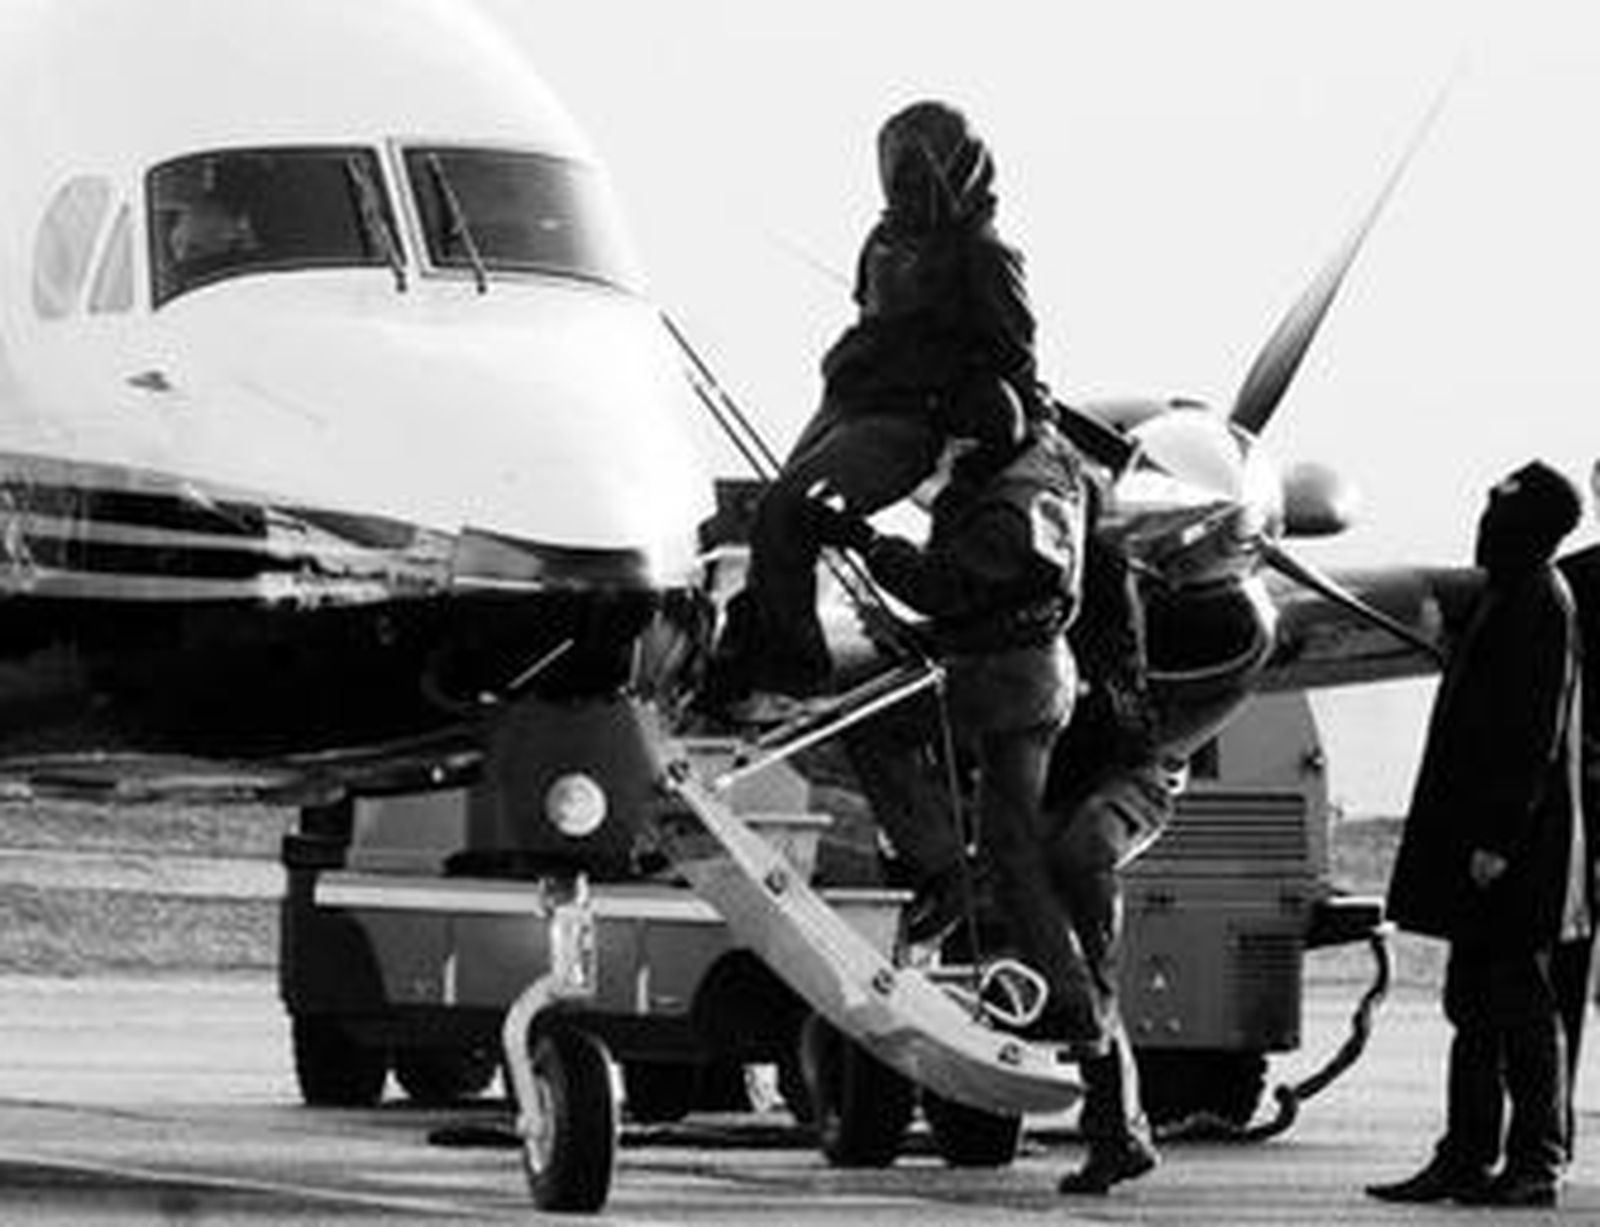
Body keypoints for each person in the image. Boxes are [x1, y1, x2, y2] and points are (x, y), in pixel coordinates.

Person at [713, 99, 1042, 721]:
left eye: (922, 172)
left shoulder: (984, 254)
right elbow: (870, 311)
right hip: (850, 395)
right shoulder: (884, 237)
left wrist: (1005, 428)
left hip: (912, 416)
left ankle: (799, 675)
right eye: (898, 173)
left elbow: (1013, 354)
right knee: (771, 516)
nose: (909, 187)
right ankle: (746, 656)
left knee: (793, 510)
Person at [810, 382, 1102, 1046]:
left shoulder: (1003, 511)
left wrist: (864, 541)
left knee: (872, 727)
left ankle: (940, 863)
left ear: (975, 442)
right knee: (1013, 846)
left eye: (954, 443)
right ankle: (1072, 1000)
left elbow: (940, 586)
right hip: (1043, 670)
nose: (944, 454)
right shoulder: (1051, 461)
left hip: (998, 674)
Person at [1367, 460, 1585, 1209]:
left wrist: (1498, 836)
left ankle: (1536, 1161)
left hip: (1512, 851)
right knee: (1473, 1001)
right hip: (1483, 846)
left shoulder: (1538, 602)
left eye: (1501, 513)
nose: (1485, 523)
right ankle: (1465, 1153)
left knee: (1521, 1004)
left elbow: (1532, 733)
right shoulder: (1510, 593)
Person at [1043, 512, 1174, 1194]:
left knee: (1081, 855)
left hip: (1115, 778)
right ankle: (1117, 1131)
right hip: (1060, 782)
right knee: (1073, 963)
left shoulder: (1099, 564)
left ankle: (1118, 1129)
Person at [1555, 456, 1600, 1163]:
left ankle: (1547, 1132)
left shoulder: (1568, 581)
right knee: (1556, 976)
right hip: (1576, 803)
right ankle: (1547, 1126)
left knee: (1558, 972)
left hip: (1577, 799)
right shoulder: (1565, 582)